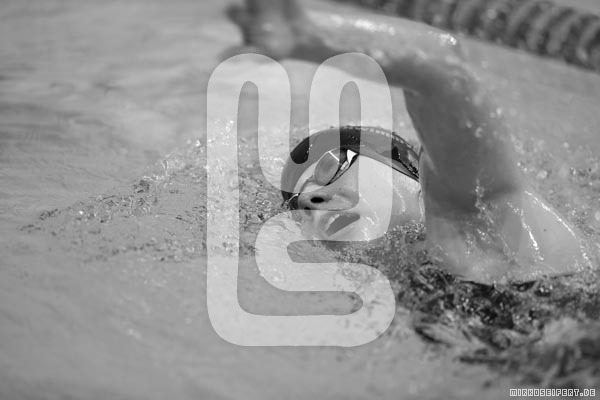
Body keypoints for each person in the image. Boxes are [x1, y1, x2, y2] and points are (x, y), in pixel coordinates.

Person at [229, 0, 591, 283]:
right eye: (298, 208)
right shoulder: (413, 286)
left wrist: (308, 35)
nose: (310, 201)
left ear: (408, 170)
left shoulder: (490, 216)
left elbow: (440, 66)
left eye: (333, 167)